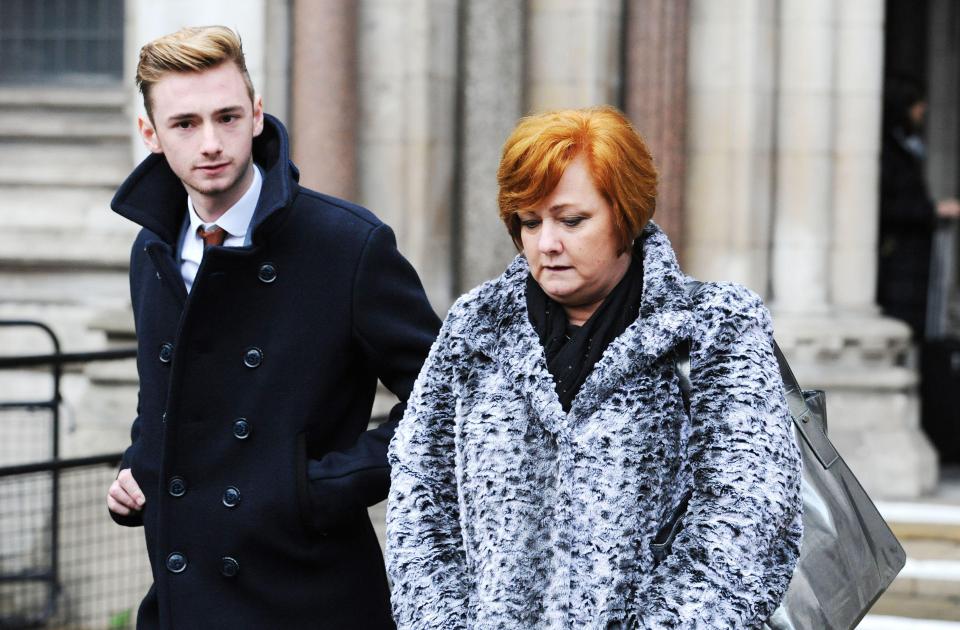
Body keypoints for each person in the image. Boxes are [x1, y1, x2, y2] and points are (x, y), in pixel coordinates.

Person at [387, 106, 802, 628]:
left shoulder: (714, 327)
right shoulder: (476, 326)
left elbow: (745, 513)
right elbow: (420, 493)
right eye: (530, 222)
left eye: (571, 220)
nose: (547, 244)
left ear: (624, 215)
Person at [105, 26, 440, 629]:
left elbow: (449, 401)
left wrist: (320, 487)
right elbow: (167, 393)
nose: (211, 142)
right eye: (185, 124)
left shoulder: (347, 245)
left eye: (227, 117)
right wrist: (139, 466)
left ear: (257, 115)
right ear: (150, 135)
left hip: (309, 595)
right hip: (185, 598)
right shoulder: (151, 249)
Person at [878, 75, 960, 339]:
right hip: (897, 261)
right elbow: (885, 206)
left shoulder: (905, 147)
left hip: (910, 262)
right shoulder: (888, 151)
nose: (923, 110)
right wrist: (932, 210)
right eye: (918, 104)